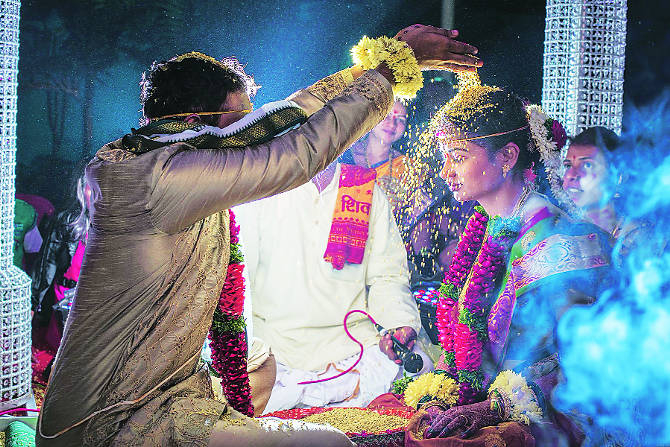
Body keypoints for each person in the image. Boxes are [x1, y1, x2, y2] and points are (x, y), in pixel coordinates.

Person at [36, 25, 482, 447]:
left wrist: (388, 62)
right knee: (330, 442)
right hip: (115, 415)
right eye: (238, 122)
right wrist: (392, 68)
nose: (251, 135)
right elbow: (296, 153)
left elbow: (281, 118)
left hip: (175, 388)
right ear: (194, 121)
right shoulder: (156, 178)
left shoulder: (153, 153)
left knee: (271, 374)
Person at [405, 79, 612, 446]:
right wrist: (439, 394)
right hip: (488, 401)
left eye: (459, 157)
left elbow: (583, 359)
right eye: (445, 157)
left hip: (553, 415)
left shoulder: (551, 238)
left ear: (507, 157)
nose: (446, 171)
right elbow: (463, 343)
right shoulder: (486, 226)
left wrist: (493, 408)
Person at [235, 157, 428, 414]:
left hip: (353, 346)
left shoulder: (362, 189)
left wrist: (398, 324)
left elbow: (387, 276)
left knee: (422, 370)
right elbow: (238, 280)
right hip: (277, 351)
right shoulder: (262, 188)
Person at [31, 175, 92, 364]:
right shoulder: (67, 221)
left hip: (94, 303)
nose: (97, 194)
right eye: (91, 187)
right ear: (82, 189)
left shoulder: (117, 227)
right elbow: (46, 266)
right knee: (57, 354)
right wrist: (33, 305)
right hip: (64, 298)